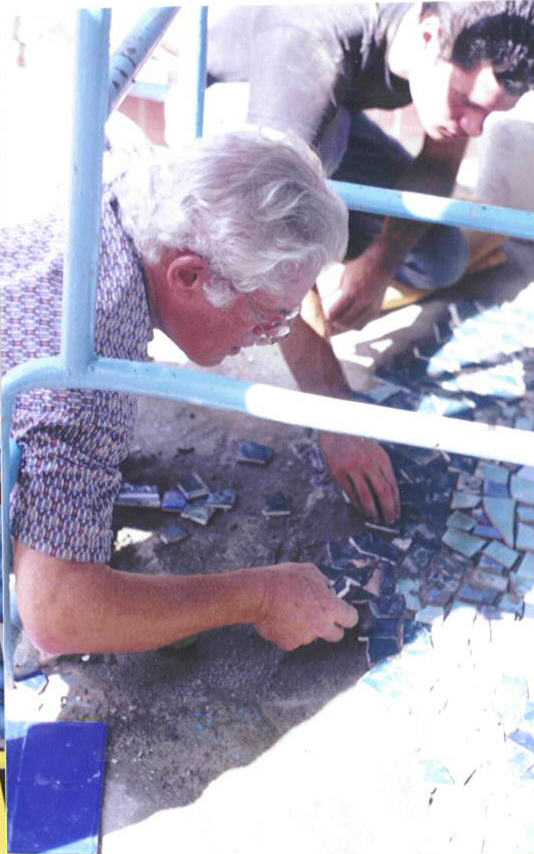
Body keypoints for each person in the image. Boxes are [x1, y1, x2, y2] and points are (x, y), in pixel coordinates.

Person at [165, 1, 534, 521]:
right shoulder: (314, 35)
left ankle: (326, 228)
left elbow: (438, 162)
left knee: (440, 258)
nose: (474, 126)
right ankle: (300, 251)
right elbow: (265, 234)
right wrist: (335, 415)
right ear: (428, 38)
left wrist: (380, 264)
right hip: (231, 109)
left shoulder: (456, 33)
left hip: (328, 114)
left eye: (490, 113)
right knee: (278, 215)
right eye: (465, 101)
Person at [1, 123, 359, 657]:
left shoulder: (128, 160)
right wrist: (259, 597)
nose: (264, 340)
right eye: (267, 319)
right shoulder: (89, 357)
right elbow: (59, 613)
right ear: (189, 276)